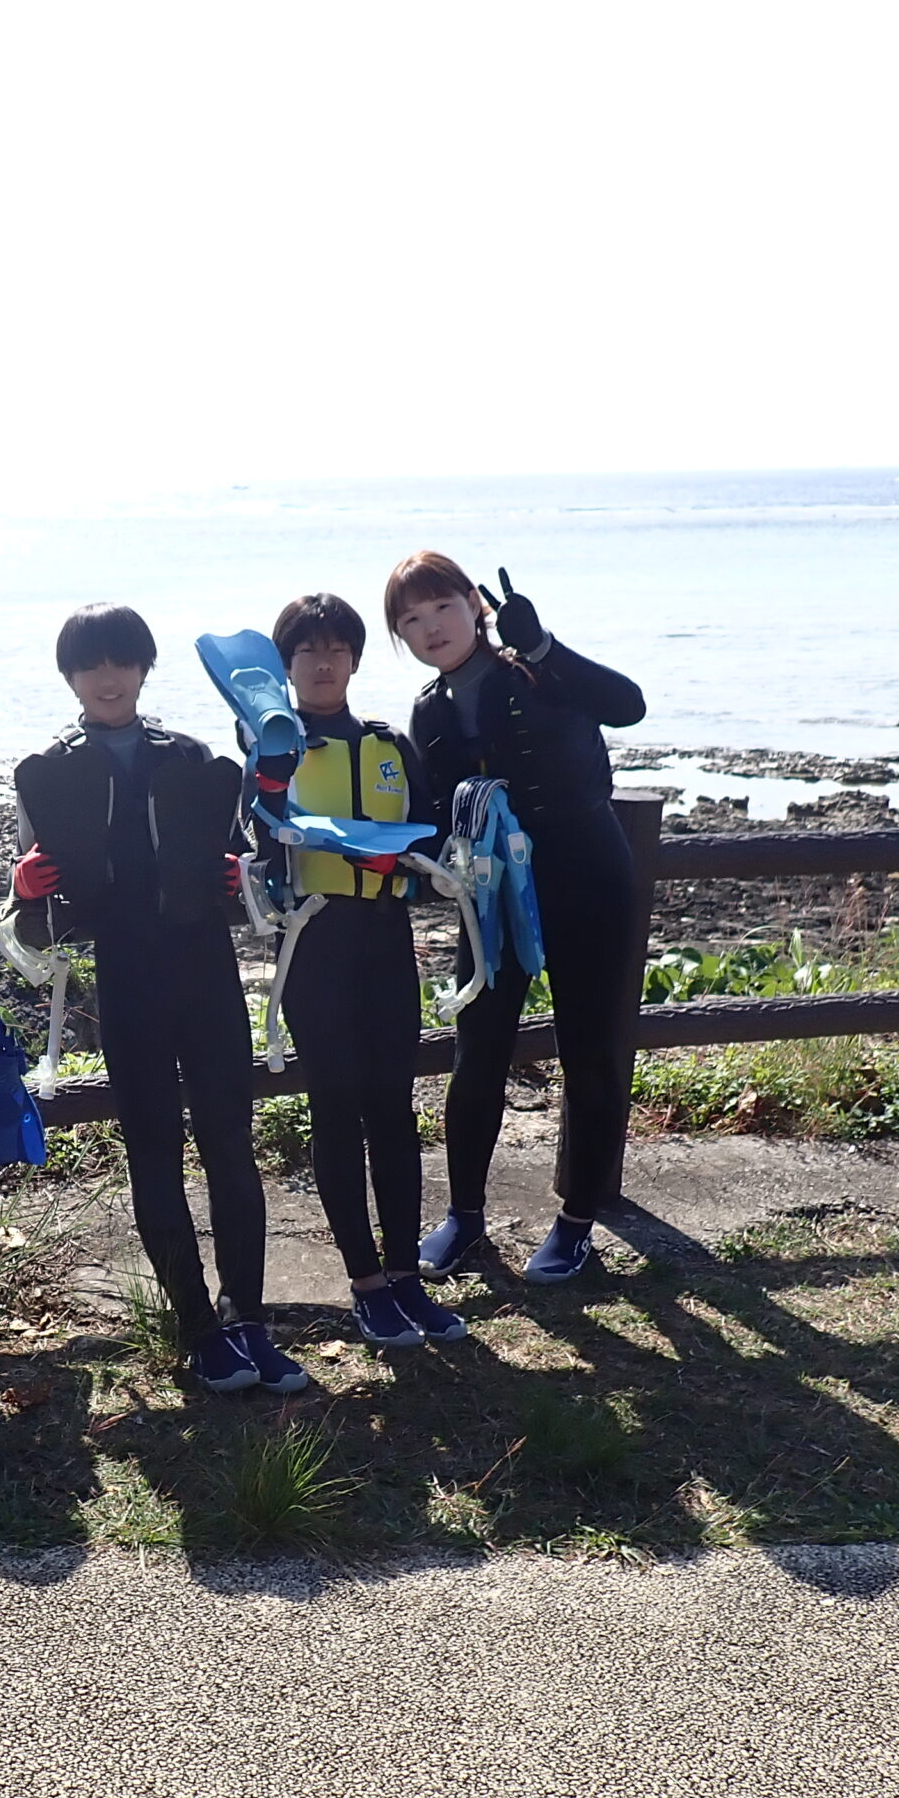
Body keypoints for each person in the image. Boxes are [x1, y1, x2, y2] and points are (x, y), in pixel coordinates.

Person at [11, 605, 307, 1395]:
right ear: (71, 677)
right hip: (126, 973)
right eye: (90, 665)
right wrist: (25, 890)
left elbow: (248, 869)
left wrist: (234, 875)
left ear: (144, 668)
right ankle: (198, 1329)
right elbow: (37, 926)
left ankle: (248, 1318)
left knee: (231, 1148)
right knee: (154, 1153)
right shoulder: (48, 772)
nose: (108, 678)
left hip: (204, 967)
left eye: (122, 661)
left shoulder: (197, 759)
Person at [388, 555, 647, 1285]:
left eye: (440, 606)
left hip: (586, 877)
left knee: (589, 1053)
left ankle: (576, 1223)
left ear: (476, 604)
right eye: (409, 619)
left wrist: (543, 646)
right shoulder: (428, 709)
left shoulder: (537, 670)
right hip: (490, 895)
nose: (428, 627)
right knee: (478, 1053)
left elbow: (628, 704)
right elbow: (435, 811)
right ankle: (464, 1217)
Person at [250, 593, 468, 1348]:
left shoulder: (388, 745)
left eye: (337, 649)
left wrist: (414, 864)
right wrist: (269, 792)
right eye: (306, 652)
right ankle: (367, 1286)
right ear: (285, 665)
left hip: (384, 941)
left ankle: (407, 1279)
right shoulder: (271, 748)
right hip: (316, 946)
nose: (322, 663)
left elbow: (433, 841)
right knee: (337, 1110)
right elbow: (253, 844)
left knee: (392, 1110)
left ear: (354, 659)